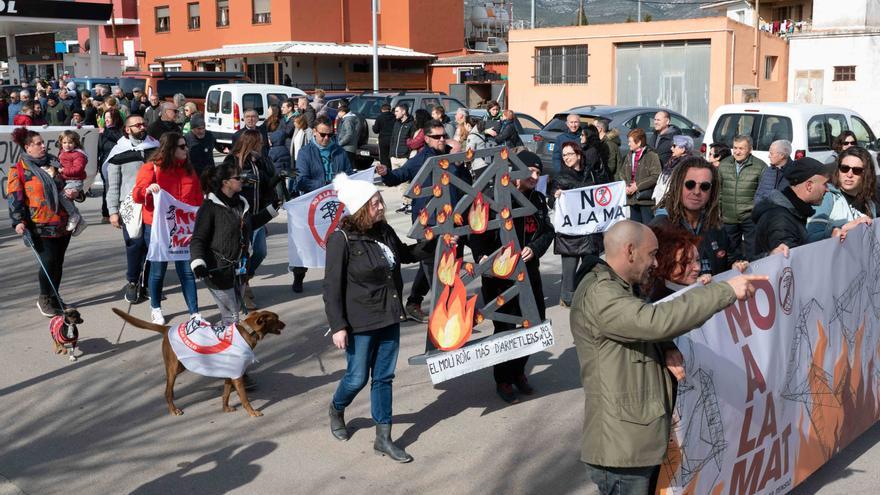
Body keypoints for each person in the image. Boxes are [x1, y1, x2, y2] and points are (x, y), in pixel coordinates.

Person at [571, 220, 766, 495]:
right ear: (630, 251)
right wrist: (724, 291)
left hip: (634, 441)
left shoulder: (618, 286)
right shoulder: (600, 292)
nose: (654, 263)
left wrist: (665, 347)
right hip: (621, 452)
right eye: (651, 254)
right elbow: (652, 321)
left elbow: (635, 326)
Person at [324, 173, 431, 463]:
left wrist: (433, 241)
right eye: (374, 204)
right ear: (360, 208)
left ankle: (383, 438)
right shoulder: (341, 239)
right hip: (359, 322)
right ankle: (336, 408)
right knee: (357, 377)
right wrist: (338, 326)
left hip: (389, 315)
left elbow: (406, 255)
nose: (381, 207)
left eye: (380, 201)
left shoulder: (383, 231)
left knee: (383, 378)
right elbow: (331, 287)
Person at [472, 151, 554, 403]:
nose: (535, 176)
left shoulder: (538, 200)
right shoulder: (495, 198)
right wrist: (482, 254)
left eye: (539, 172)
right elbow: (476, 232)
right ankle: (504, 379)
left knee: (535, 324)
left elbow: (547, 231)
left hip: (529, 274)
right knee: (506, 328)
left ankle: (519, 371)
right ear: (515, 172)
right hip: (499, 277)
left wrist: (535, 248)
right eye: (530, 170)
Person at [377, 119, 471, 323]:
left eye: (443, 136)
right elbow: (399, 176)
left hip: (453, 222)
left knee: (451, 263)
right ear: (427, 138)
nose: (441, 140)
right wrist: (386, 173)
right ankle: (447, 311)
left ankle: (414, 302)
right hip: (428, 223)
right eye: (436, 137)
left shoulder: (451, 154)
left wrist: (460, 164)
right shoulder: (423, 158)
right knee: (432, 265)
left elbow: (467, 186)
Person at [191, 160, 280, 326]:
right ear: (226, 183)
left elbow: (250, 223)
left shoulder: (241, 202)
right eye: (238, 177)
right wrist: (198, 263)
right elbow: (198, 239)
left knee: (233, 313)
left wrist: (272, 209)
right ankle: (224, 349)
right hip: (217, 271)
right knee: (231, 317)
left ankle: (220, 345)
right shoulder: (209, 207)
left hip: (239, 270)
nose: (243, 180)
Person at [132, 132, 204, 324]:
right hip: (158, 228)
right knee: (158, 271)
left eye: (186, 146)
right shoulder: (151, 168)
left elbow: (198, 196)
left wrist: (200, 219)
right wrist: (148, 190)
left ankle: (194, 312)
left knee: (187, 271)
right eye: (182, 146)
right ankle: (155, 307)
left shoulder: (189, 170)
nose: (186, 149)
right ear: (170, 149)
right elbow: (137, 195)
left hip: (183, 228)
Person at [7, 128, 77, 316]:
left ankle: (55, 297)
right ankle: (44, 297)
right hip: (38, 224)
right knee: (48, 261)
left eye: (42, 142)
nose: (43, 146)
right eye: (38, 143)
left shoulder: (55, 164)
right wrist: (18, 221)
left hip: (62, 222)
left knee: (58, 263)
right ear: (27, 147)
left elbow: (67, 188)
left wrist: (75, 193)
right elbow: (15, 198)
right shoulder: (19, 170)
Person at [652, 157, 744, 275]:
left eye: (704, 186)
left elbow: (731, 258)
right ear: (678, 185)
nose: (696, 192)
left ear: (712, 191)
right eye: (690, 185)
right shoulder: (660, 229)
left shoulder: (716, 226)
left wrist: (736, 265)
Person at [291, 116, 352, 292]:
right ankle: (299, 275)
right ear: (314, 133)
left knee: (339, 242)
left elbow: (349, 173)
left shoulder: (339, 151)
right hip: (313, 204)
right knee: (307, 242)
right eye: (323, 135)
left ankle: (337, 279)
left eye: (330, 135)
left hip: (336, 204)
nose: (326, 138)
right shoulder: (305, 152)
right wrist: (324, 185)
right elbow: (302, 181)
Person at [105, 114, 161, 303]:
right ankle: (132, 281)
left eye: (144, 124)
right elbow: (113, 185)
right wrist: (113, 211)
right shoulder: (118, 152)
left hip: (153, 204)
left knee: (151, 245)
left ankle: (147, 283)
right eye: (137, 125)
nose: (142, 127)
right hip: (130, 205)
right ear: (128, 129)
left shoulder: (155, 148)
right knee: (134, 245)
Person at [550, 141, 607, 307]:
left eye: (569, 154)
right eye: (564, 155)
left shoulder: (592, 174)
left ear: (579, 155)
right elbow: (550, 200)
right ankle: (567, 299)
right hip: (570, 236)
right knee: (569, 272)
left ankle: (591, 296)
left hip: (589, 231)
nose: (566, 158)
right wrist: (556, 195)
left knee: (592, 268)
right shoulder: (561, 177)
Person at [229, 129, 278, 307]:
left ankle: (245, 278)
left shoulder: (257, 161)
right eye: (259, 142)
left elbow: (265, 186)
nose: (262, 145)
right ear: (250, 143)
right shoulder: (232, 160)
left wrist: (279, 178)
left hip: (258, 215)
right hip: (240, 217)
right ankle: (243, 289)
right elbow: (221, 183)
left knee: (260, 251)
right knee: (242, 256)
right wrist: (240, 179)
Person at [752, 157, 833, 259]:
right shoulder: (781, 220)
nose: (827, 189)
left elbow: (803, 244)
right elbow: (791, 262)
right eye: (824, 184)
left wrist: (831, 235)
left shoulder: (792, 211)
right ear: (809, 186)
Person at [807, 146, 877, 242]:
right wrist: (842, 229)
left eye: (857, 170)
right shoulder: (827, 197)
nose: (849, 174)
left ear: (866, 174)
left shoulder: (870, 204)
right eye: (844, 168)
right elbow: (809, 238)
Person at [719, 135, 766, 260]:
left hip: (750, 218)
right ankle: (732, 279)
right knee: (730, 254)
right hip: (728, 217)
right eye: (735, 148)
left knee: (753, 254)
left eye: (741, 148)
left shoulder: (760, 166)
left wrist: (756, 213)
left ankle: (754, 279)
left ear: (750, 149)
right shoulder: (724, 165)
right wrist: (718, 213)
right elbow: (718, 191)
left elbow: (764, 194)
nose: (737, 152)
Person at [619, 128, 661, 224]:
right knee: (635, 228)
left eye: (630, 142)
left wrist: (637, 186)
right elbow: (622, 173)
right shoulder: (629, 155)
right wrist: (626, 186)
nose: (628, 144)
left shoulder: (651, 155)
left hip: (646, 200)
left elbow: (656, 175)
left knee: (648, 227)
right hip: (632, 199)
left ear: (638, 143)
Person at [652, 135, 693, 206]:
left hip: (672, 203)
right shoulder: (672, 161)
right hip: (662, 201)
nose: (671, 148)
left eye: (674, 146)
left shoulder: (686, 165)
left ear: (682, 149)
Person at [389, 104, 416, 212]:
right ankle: (405, 202)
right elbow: (393, 139)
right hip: (394, 156)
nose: (395, 113)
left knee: (407, 182)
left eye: (397, 111)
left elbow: (413, 141)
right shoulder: (396, 123)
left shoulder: (411, 124)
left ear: (403, 112)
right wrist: (391, 153)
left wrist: (409, 155)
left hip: (404, 157)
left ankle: (410, 203)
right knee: (399, 183)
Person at [264, 103, 293, 198]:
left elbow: (270, 159)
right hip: (283, 168)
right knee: (283, 184)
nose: (267, 111)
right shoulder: (284, 148)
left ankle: (280, 199)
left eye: (269, 109)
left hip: (277, 170)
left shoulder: (276, 122)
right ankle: (287, 198)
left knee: (279, 185)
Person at [58, 130, 89, 202]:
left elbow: (78, 168)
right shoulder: (63, 152)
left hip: (75, 181)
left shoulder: (78, 154)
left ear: (75, 143)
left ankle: (73, 212)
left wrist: (64, 170)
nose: (67, 145)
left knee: (64, 196)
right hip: (65, 179)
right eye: (64, 143)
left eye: (70, 143)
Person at [185, 113, 217, 177]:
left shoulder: (210, 136)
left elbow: (212, 146)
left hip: (209, 171)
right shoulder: (187, 138)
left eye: (203, 128)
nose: (201, 131)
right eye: (199, 129)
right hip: (194, 172)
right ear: (192, 129)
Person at [335, 100, 361, 167]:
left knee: (347, 167)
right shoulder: (352, 118)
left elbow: (349, 134)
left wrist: (340, 143)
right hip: (351, 147)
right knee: (350, 166)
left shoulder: (347, 120)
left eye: (338, 112)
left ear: (343, 112)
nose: (338, 114)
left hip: (347, 148)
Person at [372, 103, 396, 168]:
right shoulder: (395, 117)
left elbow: (375, 130)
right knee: (392, 156)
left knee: (384, 157)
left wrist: (373, 127)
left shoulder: (380, 117)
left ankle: (385, 171)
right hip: (393, 140)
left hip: (383, 140)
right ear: (390, 109)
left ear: (382, 109)